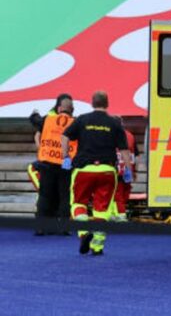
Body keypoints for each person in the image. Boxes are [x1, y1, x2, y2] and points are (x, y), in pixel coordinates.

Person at [62, 91, 131, 256]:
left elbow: (65, 136)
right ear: (107, 104)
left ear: (92, 103)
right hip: (107, 171)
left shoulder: (82, 119)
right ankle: (98, 246)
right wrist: (127, 169)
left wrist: (66, 156)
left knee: (78, 203)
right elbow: (124, 150)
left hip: (84, 169)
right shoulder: (115, 124)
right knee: (102, 209)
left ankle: (84, 233)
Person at [35, 95, 76, 235]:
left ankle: (41, 227)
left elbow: (34, 120)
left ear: (59, 108)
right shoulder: (75, 122)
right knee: (65, 196)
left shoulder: (48, 119)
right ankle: (64, 227)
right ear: (72, 109)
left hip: (47, 163)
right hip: (65, 165)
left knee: (45, 196)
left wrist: (34, 114)